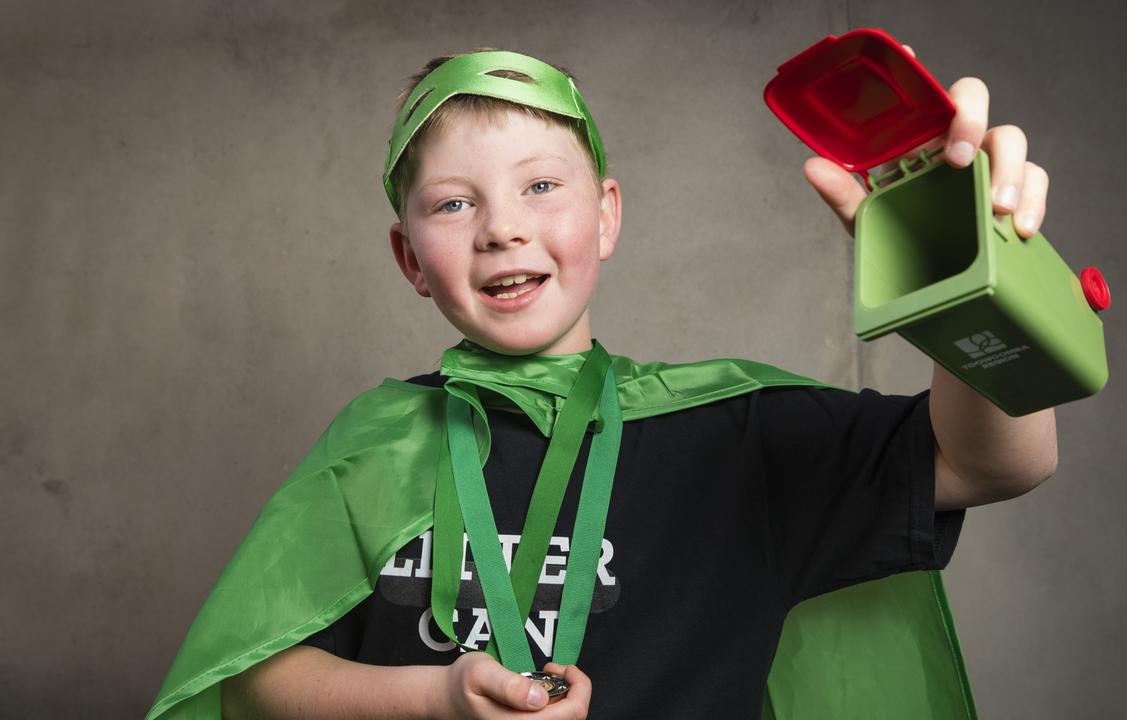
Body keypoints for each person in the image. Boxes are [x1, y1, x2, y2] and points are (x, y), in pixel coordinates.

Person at [147, 46, 1058, 720]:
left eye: (541, 185)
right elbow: (255, 678)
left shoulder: (736, 433)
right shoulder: (372, 446)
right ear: (410, 259)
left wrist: (966, 274)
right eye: (453, 202)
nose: (501, 227)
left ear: (607, 215)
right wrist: (436, 699)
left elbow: (995, 464)